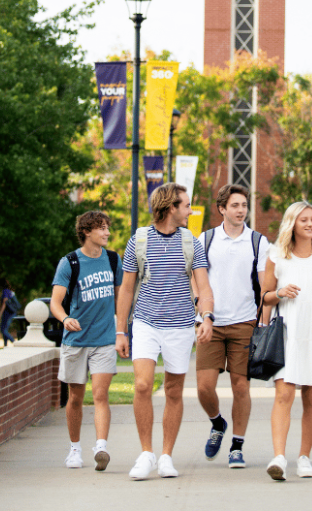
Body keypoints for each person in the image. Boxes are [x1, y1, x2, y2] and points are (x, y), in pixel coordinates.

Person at [116, 183, 214, 481]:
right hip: (145, 322)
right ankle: (146, 453)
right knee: (143, 385)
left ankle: (166, 456)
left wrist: (207, 316)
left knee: (173, 390)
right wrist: (121, 331)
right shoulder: (139, 240)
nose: (190, 210)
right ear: (171, 207)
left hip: (181, 325)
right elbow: (127, 288)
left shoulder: (191, 242)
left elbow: (204, 285)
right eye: (186, 205)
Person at [262, 201, 312, 481]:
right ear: (292, 224)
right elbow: (264, 297)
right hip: (288, 335)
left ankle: (305, 458)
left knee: (311, 397)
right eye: (304, 220)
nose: (310, 224)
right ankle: (279, 457)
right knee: (284, 395)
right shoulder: (276, 255)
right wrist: (280, 292)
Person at [194, 184, 270, 468]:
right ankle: (217, 423)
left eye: (244, 205)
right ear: (222, 208)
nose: (241, 210)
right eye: (235, 205)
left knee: (240, 387)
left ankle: (237, 446)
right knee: (204, 388)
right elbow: (196, 279)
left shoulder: (258, 242)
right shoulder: (206, 239)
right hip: (210, 322)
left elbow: (265, 285)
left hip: (244, 323)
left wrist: (265, 322)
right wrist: (201, 313)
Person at [50, 211, 123, 471]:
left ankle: (101, 446)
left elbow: (120, 299)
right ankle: (74, 448)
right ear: (86, 232)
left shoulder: (113, 259)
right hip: (76, 341)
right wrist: (65, 318)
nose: (106, 233)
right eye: (101, 228)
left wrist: (121, 330)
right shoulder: (69, 262)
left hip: (104, 340)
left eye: (107, 228)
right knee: (76, 398)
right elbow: (56, 303)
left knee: (101, 395)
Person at [0, 279, 19, 346]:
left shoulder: (5, 291)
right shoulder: (10, 291)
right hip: (10, 313)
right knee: (4, 329)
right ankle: (5, 345)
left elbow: (5, 302)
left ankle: (14, 342)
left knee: (4, 330)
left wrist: (0, 313)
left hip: (9, 314)